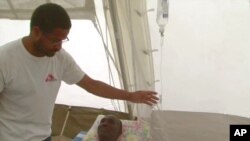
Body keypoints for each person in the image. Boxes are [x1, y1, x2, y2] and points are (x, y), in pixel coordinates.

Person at [0, 3, 159, 141]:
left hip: (43, 136)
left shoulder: (60, 58)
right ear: (36, 32)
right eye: (55, 40)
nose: (59, 46)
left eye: (63, 40)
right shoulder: (5, 59)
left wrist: (130, 96)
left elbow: (91, 85)